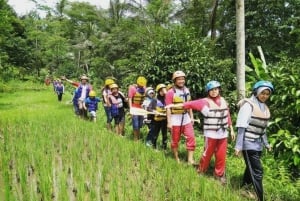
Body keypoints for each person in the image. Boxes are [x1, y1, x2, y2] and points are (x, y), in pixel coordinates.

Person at [166, 80, 235, 184]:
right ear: (208, 91)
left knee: (221, 155)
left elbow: (227, 114)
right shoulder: (204, 101)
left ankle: (219, 174)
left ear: (219, 90)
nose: (214, 92)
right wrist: (172, 106)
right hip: (211, 134)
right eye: (211, 90)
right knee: (207, 154)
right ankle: (201, 170)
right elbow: (188, 104)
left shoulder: (223, 100)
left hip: (223, 133)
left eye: (216, 89)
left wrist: (231, 128)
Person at [235, 81, 274, 201]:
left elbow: (263, 129)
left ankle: (244, 188)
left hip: (257, 144)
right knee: (258, 170)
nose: (265, 96)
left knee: (250, 168)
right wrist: (238, 146)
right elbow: (241, 127)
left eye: (267, 94)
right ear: (257, 92)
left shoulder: (264, 107)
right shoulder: (248, 105)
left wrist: (266, 144)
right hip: (248, 143)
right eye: (263, 93)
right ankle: (260, 197)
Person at [165, 70, 196, 164]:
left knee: (191, 137)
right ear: (175, 81)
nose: (181, 81)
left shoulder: (187, 90)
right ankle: (176, 158)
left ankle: (190, 160)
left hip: (186, 117)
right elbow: (168, 108)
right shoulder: (170, 92)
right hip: (175, 118)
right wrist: (169, 122)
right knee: (175, 140)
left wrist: (192, 117)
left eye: (182, 79)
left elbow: (189, 104)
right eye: (179, 79)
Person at [128, 76, 147, 141]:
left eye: (143, 85)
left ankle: (138, 137)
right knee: (135, 124)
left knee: (140, 124)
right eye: (140, 85)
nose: (141, 86)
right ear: (137, 83)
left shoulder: (144, 88)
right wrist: (131, 110)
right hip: (134, 108)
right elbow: (130, 99)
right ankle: (135, 139)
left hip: (141, 108)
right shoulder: (132, 88)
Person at [150, 84, 168, 150]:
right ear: (158, 91)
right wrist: (154, 111)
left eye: (164, 90)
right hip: (156, 120)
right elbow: (149, 108)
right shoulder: (155, 99)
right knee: (155, 134)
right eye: (161, 91)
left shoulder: (167, 99)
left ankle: (164, 148)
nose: (163, 92)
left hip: (164, 120)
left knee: (165, 135)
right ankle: (154, 147)